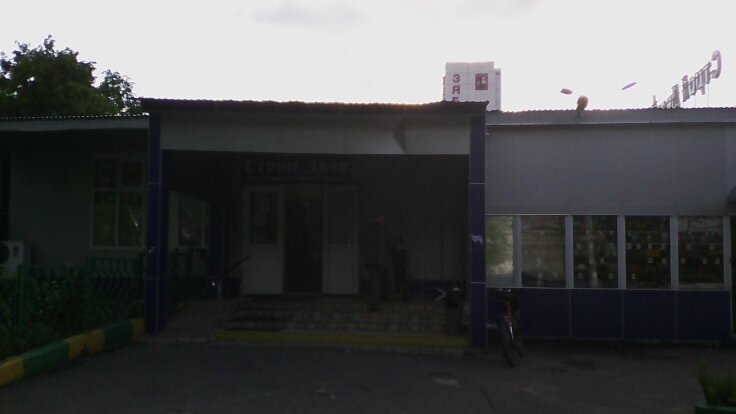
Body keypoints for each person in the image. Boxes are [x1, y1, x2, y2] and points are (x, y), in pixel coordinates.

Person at [359, 213, 392, 311]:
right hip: (380, 260)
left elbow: (361, 243)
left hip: (370, 260)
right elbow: (389, 244)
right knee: (377, 283)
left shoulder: (367, 230)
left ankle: (373, 303)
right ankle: (376, 304)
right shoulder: (384, 230)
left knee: (373, 282)